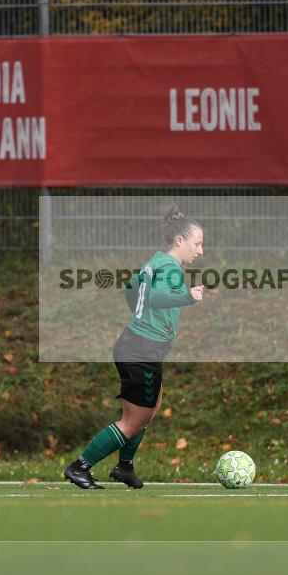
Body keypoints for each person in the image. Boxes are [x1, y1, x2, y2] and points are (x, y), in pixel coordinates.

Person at [63, 205, 205, 489]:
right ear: (180, 240)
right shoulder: (171, 269)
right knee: (135, 419)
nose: (200, 251)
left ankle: (124, 467)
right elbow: (156, 297)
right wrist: (187, 297)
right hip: (142, 348)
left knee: (150, 410)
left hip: (137, 343)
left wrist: (140, 318)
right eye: (197, 243)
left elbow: (131, 287)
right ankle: (79, 467)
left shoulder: (157, 260)